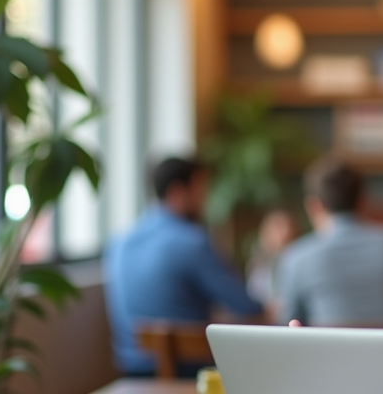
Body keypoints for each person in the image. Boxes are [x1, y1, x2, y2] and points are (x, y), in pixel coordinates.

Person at [104, 156, 263, 376]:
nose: (206, 201)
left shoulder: (118, 243)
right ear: (178, 192)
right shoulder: (192, 241)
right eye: (201, 191)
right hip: (188, 373)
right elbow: (246, 306)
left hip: (131, 373)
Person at [275, 158, 383, 325]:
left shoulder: (296, 257)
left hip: (332, 344)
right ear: (363, 200)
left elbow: (288, 324)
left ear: (314, 206)